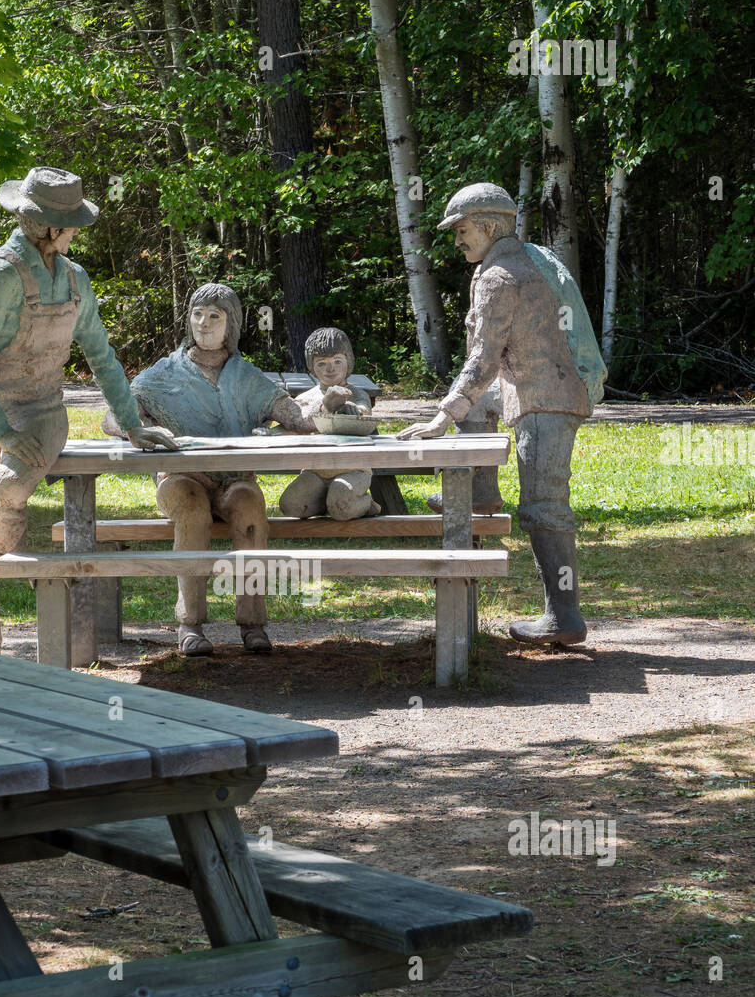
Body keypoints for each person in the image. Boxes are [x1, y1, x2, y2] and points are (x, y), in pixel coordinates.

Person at [0, 167, 176, 653]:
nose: (76, 233)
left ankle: (21, 558)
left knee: (5, 491)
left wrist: (132, 425)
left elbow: (101, 355)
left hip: (41, 410)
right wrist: (1, 432)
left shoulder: (76, 280)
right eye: (71, 225)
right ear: (50, 227)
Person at [399, 182, 607, 645]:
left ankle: (564, 617)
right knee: (483, 404)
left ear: (490, 226)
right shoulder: (527, 258)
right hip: (535, 386)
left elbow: (481, 360)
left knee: (543, 505)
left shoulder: (499, 276)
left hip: (545, 400)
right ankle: (480, 491)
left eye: (462, 229)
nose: (457, 240)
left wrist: (442, 417)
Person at [131, 283, 316, 656]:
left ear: (231, 324)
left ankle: (252, 623)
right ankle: (190, 624)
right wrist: (135, 427)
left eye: (215, 315)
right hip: (182, 478)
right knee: (192, 509)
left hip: (235, 478)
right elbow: (116, 415)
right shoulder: (164, 373)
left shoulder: (245, 376)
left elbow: (293, 415)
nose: (204, 323)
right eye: (197, 314)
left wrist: (325, 406)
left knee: (249, 506)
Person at [278, 327, 381, 521]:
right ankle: (328, 504)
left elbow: (363, 412)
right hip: (315, 470)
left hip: (353, 469)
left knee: (342, 503)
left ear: (348, 362)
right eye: (321, 363)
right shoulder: (305, 398)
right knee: (291, 505)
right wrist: (270, 432)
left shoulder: (357, 394)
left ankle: (365, 504)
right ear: (312, 366)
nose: (330, 369)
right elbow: (291, 424)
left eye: (337, 361)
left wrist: (348, 408)